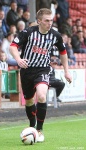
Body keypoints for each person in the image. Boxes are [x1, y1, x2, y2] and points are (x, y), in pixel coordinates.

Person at [10, 8, 72, 143]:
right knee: (29, 101)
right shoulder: (28, 32)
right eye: (46, 21)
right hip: (27, 70)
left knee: (42, 95)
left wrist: (66, 71)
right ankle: (32, 126)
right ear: (39, 21)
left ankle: (39, 130)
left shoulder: (55, 35)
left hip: (43, 70)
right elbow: (13, 46)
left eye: (51, 20)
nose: (50, 23)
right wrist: (18, 59)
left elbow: (63, 52)